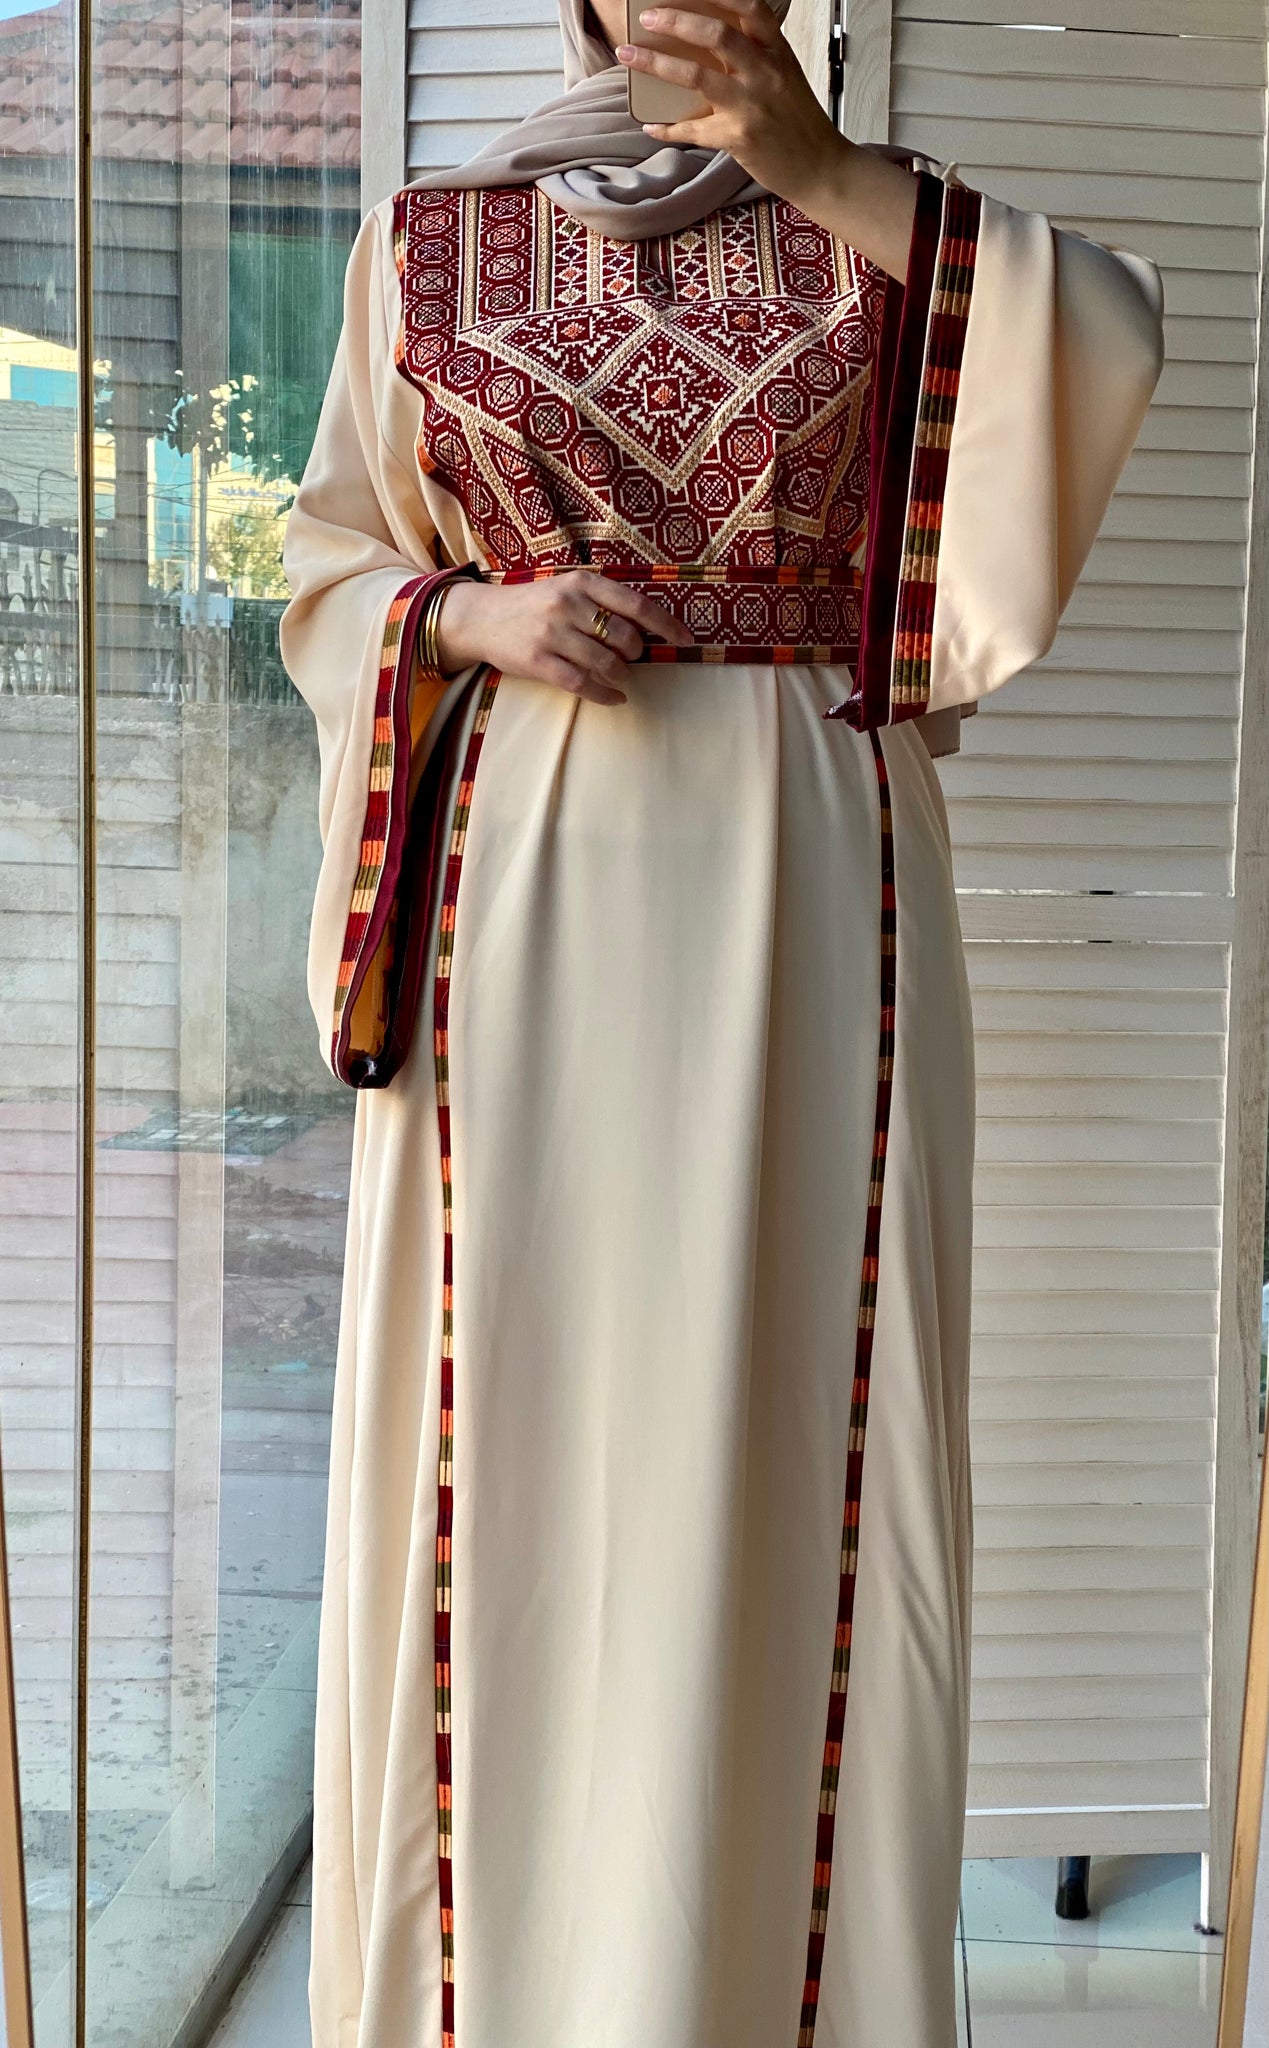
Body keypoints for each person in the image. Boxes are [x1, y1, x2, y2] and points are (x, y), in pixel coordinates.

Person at [279, 5, 1164, 2043]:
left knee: (797, 1417)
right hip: (519, 906)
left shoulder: (889, 226)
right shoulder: (424, 240)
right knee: (505, 1426)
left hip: (807, 893)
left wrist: (823, 174)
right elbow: (327, 567)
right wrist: (467, 613)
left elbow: (1105, 334)